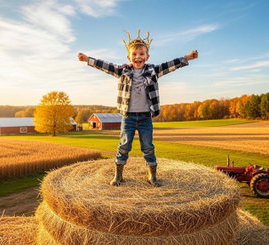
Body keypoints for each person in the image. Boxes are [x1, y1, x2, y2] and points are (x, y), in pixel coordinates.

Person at [77, 30, 198, 187]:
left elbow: (170, 65)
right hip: (128, 117)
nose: (138, 57)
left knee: (147, 146)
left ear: (147, 57)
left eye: (141, 54)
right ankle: (118, 175)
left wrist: (187, 57)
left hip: (145, 117)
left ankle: (152, 176)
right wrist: (88, 59)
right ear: (129, 57)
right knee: (124, 146)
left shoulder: (153, 71)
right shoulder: (123, 71)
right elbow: (105, 65)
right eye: (134, 54)